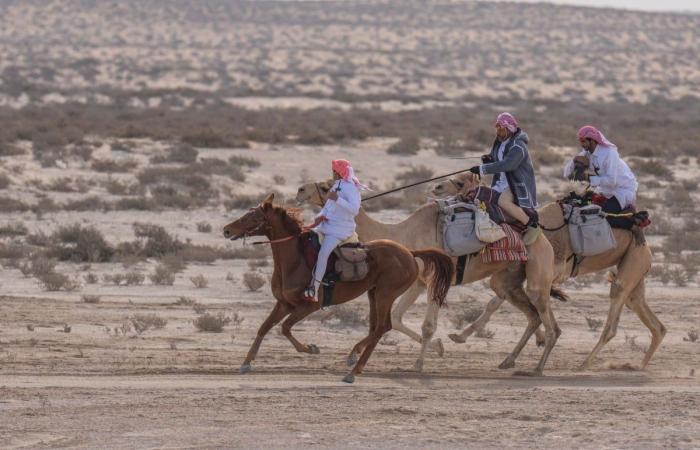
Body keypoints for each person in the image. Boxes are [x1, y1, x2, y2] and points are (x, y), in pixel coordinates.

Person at [467, 112, 539, 241]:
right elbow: (497, 159)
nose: (498, 131)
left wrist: (482, 169)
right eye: (497, 128)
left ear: (509, 129)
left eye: (501, 129)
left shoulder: (519, 146)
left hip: (517, 184)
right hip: (502, 182)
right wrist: (489, 159)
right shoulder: (500, 142)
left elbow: (507, 165)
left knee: (502, 201)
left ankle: (531, 224)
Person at [304, 159, 364, 302]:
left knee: (323, 253)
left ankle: (314, 289)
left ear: (339, 172)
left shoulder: (351, 188)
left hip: (340, 230)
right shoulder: (337, 185)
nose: (332, 173)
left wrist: (338, 199)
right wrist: (320, 216)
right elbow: (328, 207)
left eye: (334, 171)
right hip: (327, 225)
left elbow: (355, 210)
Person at [563, 125, 638, 228]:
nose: (582, 144)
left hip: (622, 190)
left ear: (593, 140)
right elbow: (566, 173)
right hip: (604, 190)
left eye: (584, 141)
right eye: (580, 141)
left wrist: (589, 179)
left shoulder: (609, 153)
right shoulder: (586, 153)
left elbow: (613, 181)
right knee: (579, 208)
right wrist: (574, 161)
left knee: (602, 218)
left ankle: (633, 224)